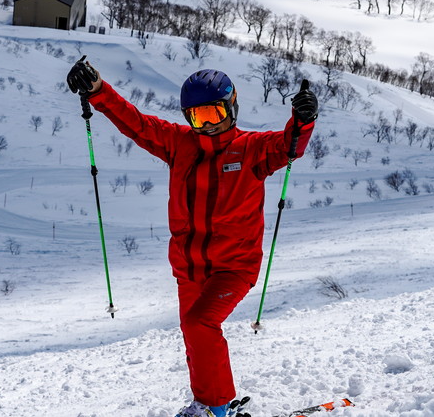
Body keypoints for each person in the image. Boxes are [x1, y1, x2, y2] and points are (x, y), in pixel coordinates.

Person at [67, 59, 318, 417]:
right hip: (189, 268)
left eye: (214, 114)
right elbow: (138, 124)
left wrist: (303, 120)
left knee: (201, 324)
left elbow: (289, 145)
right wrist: (98, 91)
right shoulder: (180, 144)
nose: (207, 125)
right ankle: (209, 403)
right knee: (194, 335)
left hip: (234, 267)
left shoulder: (251, 150)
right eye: (197, 118)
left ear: (232, 108)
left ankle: (217, 407)